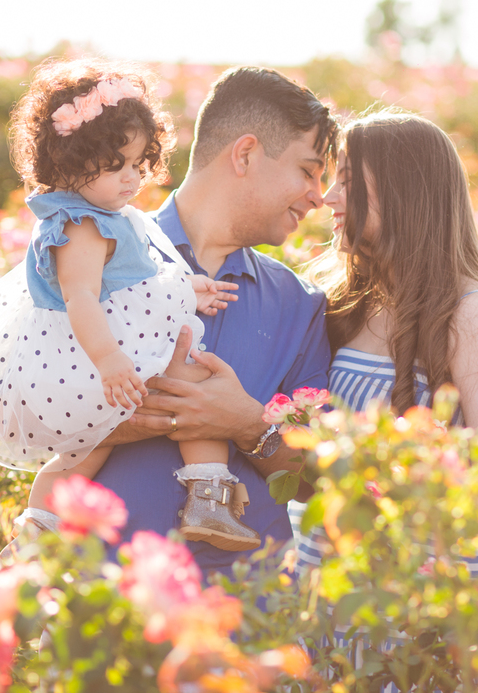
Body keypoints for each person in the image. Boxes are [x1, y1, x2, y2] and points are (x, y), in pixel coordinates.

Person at [0, 58, 261, 553]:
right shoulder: (81, 226)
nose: (131, 179)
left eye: (137, 164)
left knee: (86, 448)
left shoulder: (106, 213)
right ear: (71, 164)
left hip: (92, 358)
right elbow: (82, 297)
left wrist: (187, 291)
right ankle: (207, 496)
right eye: (116, 167)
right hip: (91, 359)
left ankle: (37, 530)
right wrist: (111, 363)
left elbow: (133, 285)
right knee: (195, 386)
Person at [287, 109, 478, 679]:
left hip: (417, 609)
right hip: (324, 590)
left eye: (348, 180)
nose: (328, 198)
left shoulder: (475, 317)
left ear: (405, 194)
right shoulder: (346, 304)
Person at [88, 66, 339, 577]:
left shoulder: (301, 304)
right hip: (105, 610)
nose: (319, 196)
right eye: (308, 171)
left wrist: (249, 426)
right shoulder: (91, 261)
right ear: (245, 154)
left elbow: (319, 479)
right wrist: (118, 421)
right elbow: (27, 409)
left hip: (249, 622)